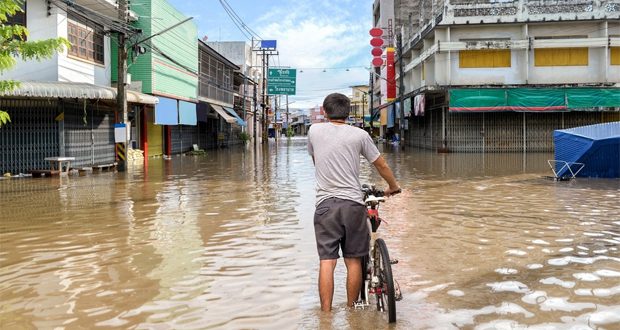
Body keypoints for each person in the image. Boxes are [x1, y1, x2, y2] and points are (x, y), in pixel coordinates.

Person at [307, 93, 401, 312]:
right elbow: (382, 165)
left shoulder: (313, 131)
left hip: (325, 206)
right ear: (348, 113)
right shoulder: (360, 135)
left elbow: (315, 160)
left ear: (324, 111)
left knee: (327, 262)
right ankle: (352, 310)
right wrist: (393, 187)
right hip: (352, 205)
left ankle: (326, 316)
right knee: (354, 261)